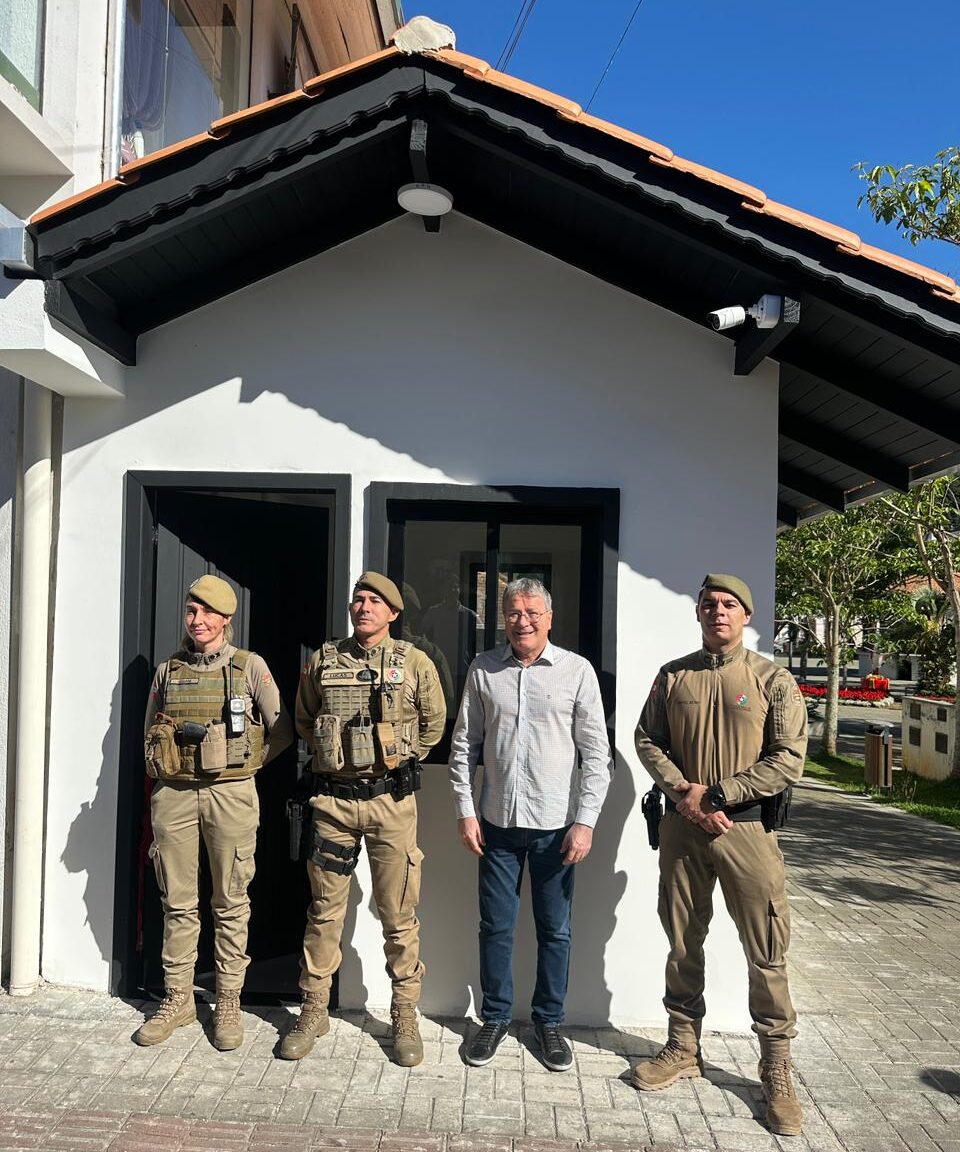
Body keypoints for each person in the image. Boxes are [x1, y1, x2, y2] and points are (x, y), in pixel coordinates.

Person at [633, 574, 807, 1137]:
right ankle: (683, 1047)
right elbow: (647, 739)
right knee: (682, 940)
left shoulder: (771, 679)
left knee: (766, 949)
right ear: (698, 613)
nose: (718, 612)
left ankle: (776, 1068)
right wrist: (684, 792)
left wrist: (718, 795)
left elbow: (788, 758)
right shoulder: (673, 675)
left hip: (746, 830)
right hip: (683, 828)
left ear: (746, 615)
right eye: (709, 604)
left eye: (729, 604)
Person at [449, 577, 613, 1071]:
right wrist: (465, 810)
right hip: (496, 824)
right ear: (504, 618)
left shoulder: (576, 671)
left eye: (532, 612)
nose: (523, 621)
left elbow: (596, 755)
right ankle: (495, 1017)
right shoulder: (484, 669)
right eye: (514, 613)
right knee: (495, 927)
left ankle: (549, 1022)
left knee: (555, 930)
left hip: (556, 826)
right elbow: (464, 746)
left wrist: (585, 822)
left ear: (549, 617)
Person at [282, 572, 445, 1066]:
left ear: (393, 612)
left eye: (375, 600)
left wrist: (400, 759)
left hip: (391, 805)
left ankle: (404, 1013)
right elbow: (304, 719)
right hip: (332, 804)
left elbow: (434, 723)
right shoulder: (324, 660)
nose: (364, 606)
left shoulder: (414, 662)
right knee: (324, 910)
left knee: (398, 914)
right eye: (358, 599)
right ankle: (314, 1008)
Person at [138, 574, 293, 1050]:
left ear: (226, 618)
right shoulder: (168, 672)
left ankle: (228, 1001)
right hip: (175, 795)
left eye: (207, 612)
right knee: (177, 902)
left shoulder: (249, 667)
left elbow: (282, 730)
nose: (197, 620)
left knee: (230, 902)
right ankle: (178, 998)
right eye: (191, 610)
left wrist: (245, 766)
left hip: (231, 795)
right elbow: (149, 734)